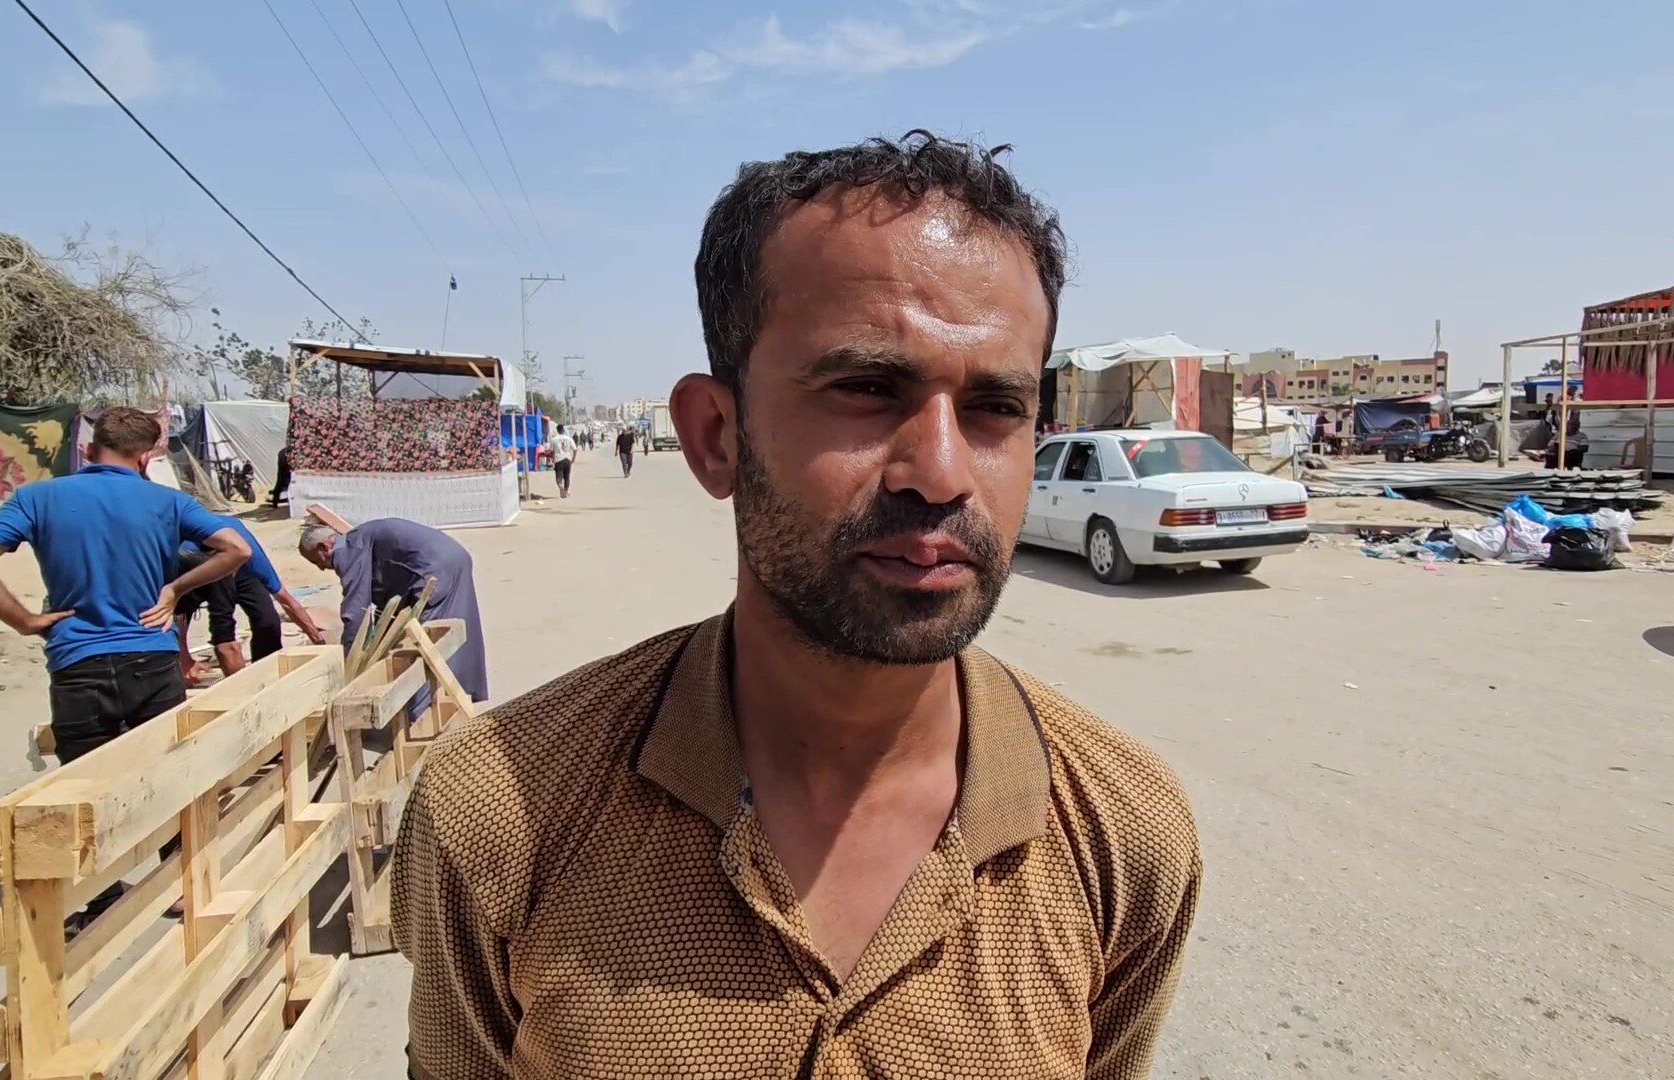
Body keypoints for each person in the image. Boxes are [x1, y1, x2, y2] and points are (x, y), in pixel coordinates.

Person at [392, 132, 1201, 1078]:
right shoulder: (500, 815)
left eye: (994, 410)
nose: (941, 473)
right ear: (715, 435)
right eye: (864, 389)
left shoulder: (1124, 835)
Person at [0, 407, 250, 921]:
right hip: (151, 656)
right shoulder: (166, 501)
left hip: (77, 660)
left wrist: (23, 619)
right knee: (169, 772)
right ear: (147, 456)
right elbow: (235, 547)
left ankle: (100, 895)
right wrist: (176, 589)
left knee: (85, 781)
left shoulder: (38, 497)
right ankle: (178, 886)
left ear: (89, 449)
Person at [299, 517, 488, 716]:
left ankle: (422, 716)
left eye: (316, 561)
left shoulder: (347, 552)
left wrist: (348, 664)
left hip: (435, 571)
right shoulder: (359, 538)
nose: (321, 568)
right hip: (453, 558)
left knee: (424, 648)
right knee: (453, 636)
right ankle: (457, 698)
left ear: (324, 547)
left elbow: (356, 611)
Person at [173, 518, 326, 683]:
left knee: (268, 621)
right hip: (202, 570)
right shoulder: (187, 555)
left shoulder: (250, 554)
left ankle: (267, 670)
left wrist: (318, 639)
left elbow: (287, 601)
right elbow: (178, 613)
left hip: (242, 571)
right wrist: (185, 659)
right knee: (220, 633)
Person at [548, 422, 578, 498]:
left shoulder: (553, 439)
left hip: (558, 460)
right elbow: (575, 449)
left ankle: (561, 488)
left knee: (558, 477)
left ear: (557, 430)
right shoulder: (569, 439)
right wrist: (573, 459)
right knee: (567, 477)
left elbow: (551, 451)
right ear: (563, 430)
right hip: (567, 459)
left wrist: (552, 459)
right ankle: (566, 492)